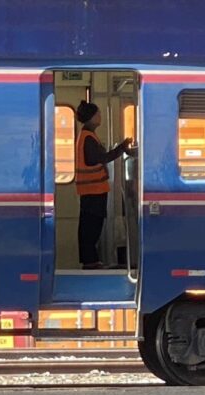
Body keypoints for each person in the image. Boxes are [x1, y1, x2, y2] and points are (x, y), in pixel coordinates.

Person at [75, 100, 133, 270]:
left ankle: (91, 260)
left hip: (93, 190)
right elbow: (99, 159)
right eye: (98, 114)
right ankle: (90, 261)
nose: (100, 116)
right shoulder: (88, 137)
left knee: (91, 226)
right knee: (91, 227)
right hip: (93, 190)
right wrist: (121, 148)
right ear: (91, 117)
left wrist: (121, 149)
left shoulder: (89, 135)